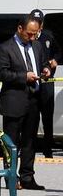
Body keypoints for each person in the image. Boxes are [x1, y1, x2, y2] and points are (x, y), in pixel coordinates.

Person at [0, 15, 49, 190]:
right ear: (20, 29)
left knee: (30, 142)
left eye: (35, 34)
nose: (32, 37)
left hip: (33, 100)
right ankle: (11, 177)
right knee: (11, 143)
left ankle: (27, 177)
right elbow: (2, 73)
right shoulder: (5, 48)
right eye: (29, 34)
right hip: (13, 101)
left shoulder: (37, 45)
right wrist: (23, 77)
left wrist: (46, 69)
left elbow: (43, 63)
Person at [30, 9, 61, 158]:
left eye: (38, 22)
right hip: (31, 83)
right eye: (33, 21)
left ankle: (48, 150)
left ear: (41, 25)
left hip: (47, 83)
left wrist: (55, 60)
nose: (36, 25)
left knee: (47, 117)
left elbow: (58, 52)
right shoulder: (27, 39)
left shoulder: (48, 37)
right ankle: (32, 147)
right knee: (32, 117)